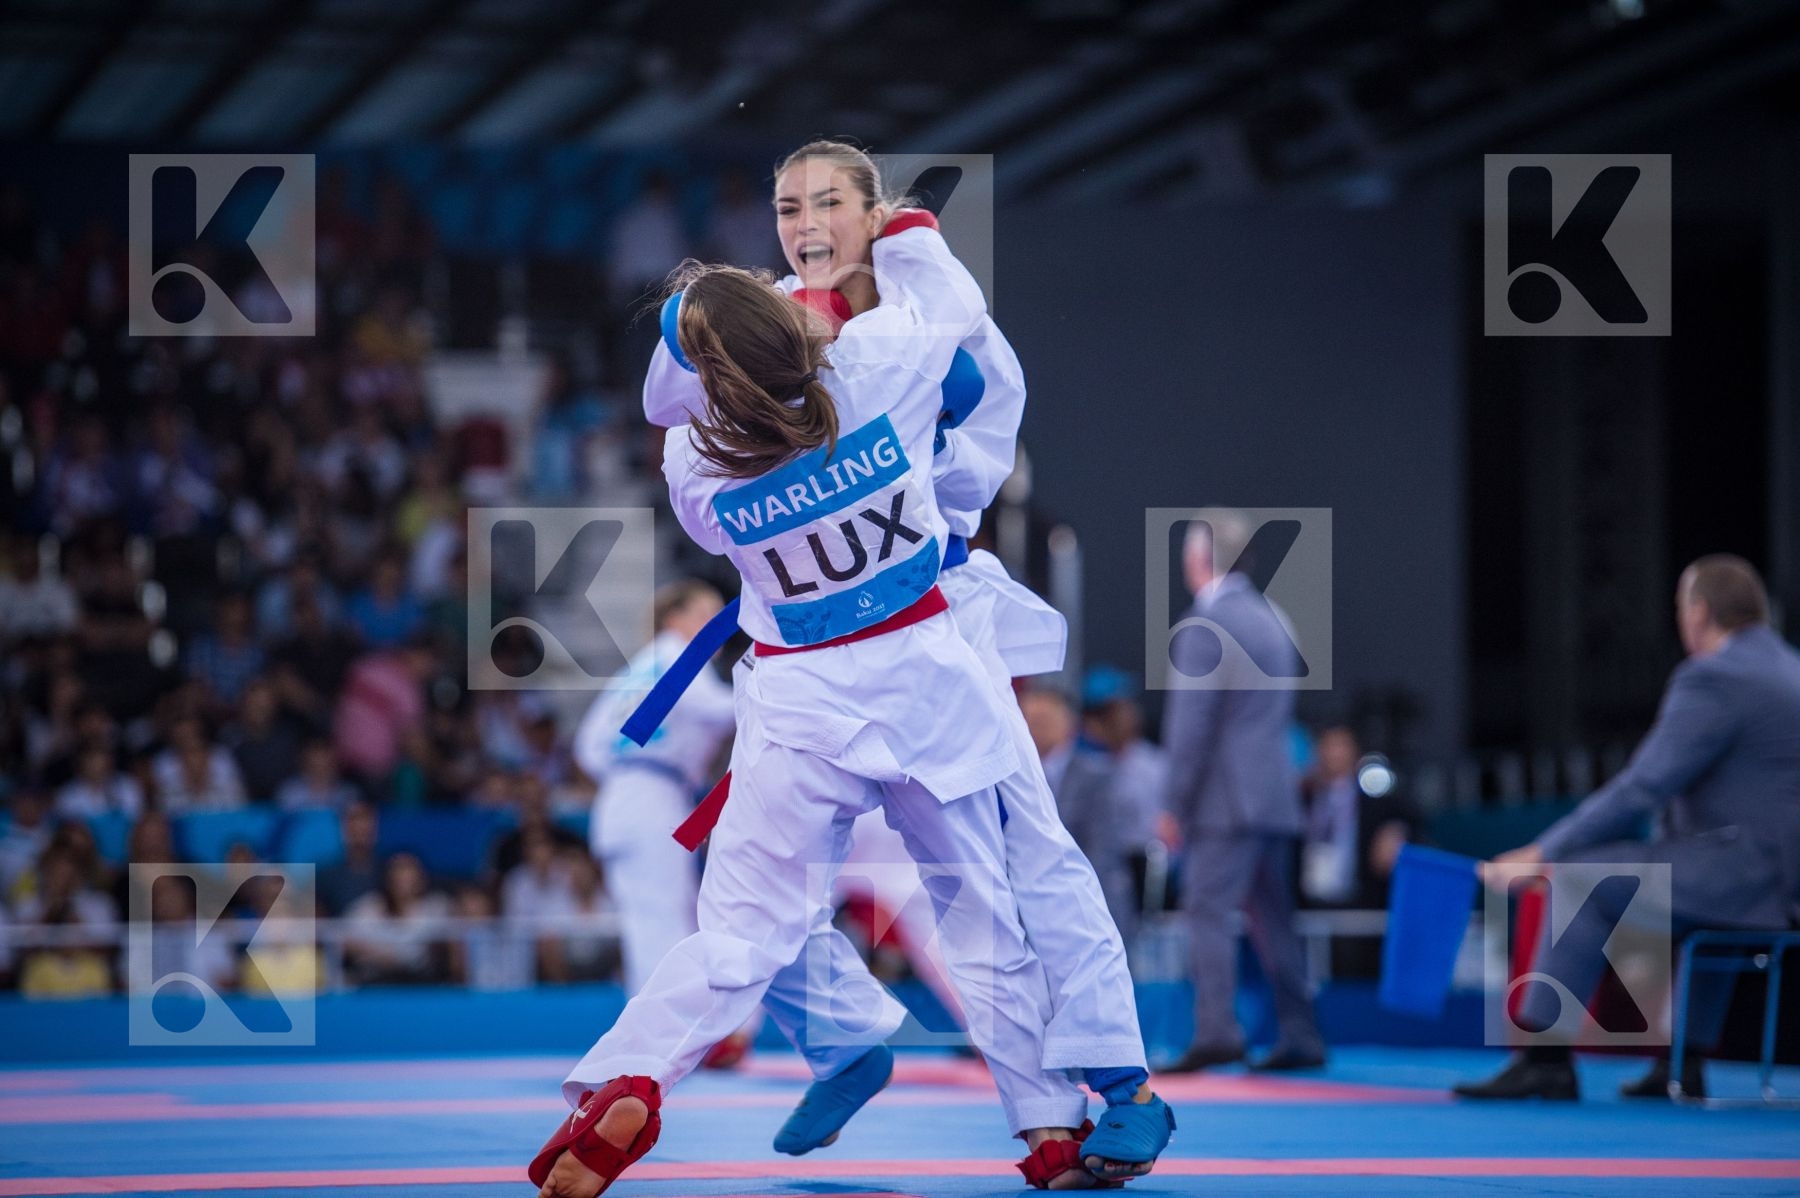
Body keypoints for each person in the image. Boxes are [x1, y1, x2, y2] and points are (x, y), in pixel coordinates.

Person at [531, 221, 1171, 1198]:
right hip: (927, 683)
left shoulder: (696, 467)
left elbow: (667, 388)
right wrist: (902, 238)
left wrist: (702, 316)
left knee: (739, 930)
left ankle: (631, 1078)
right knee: (978, 914)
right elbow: (962, 337)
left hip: (801, 700)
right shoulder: (877, 368)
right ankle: (1048, 1127)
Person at [1454, 555, 1800, 1103]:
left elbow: (1643, 786)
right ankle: (1682, 1066)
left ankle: (1544, 1060)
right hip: (1779, 884)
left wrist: (1543, 852)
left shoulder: (1715, 675)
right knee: (1690, 889)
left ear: (1698, 612)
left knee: (1581, 879)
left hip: (1741, 875)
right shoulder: (1788, 668)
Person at [1161, 511, 1325, 1073]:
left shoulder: (1206, 624)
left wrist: (1172, 805)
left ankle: (1217, 1031)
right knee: (1276, 922)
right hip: (1274, 795)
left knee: (1206, 911)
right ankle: (1301, 1034)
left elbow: (1192, 727)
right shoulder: (1272, 617)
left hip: (1224, 801)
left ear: (1198, 558)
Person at [571, 580, 747, 1046]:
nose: (719, 628)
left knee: (654, 918)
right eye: (707, 614)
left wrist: (628, 758)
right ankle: (662, 1039)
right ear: (676, 619)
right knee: (661, 921)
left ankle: (665, 1034)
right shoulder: (674, 653)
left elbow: (587, 746)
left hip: (627, 794)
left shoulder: (642, 665)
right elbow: (718, 710)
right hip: (651, 793)